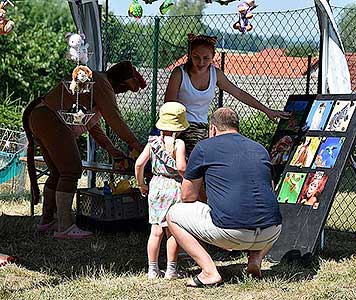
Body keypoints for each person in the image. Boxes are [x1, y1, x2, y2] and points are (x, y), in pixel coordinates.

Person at [22, 61, 146, 239]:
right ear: (120, 83)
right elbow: (114, 118)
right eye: (125, 88)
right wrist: (136, 144)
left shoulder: (97, 82)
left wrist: (110, 148)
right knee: (71, 170)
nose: (122, 92)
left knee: (58, 173)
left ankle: (47, 221)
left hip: (41, 116)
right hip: (50, 118)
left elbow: (91, 125)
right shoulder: (102, 82)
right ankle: (64, 226)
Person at [167, 107, 282, 288]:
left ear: (212, 129)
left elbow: (187, 196)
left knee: (173, 214)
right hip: (271, 232)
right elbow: (270, 188)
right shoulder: (259, 149)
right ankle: (256, 258)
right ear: (237, 127)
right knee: (257, 208)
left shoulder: (204, 147)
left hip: (231, 232)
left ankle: (209, 272)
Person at [164, 33, 290, 155]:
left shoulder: (216, 74)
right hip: (179, 127)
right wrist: (171, 134)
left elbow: (239, 93)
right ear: (190, 55)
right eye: (196, 57)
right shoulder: (179, 73)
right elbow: (168, 107)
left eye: (206, 58)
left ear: (213, 56)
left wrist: (266, 110)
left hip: (203, 128)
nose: (201, 62)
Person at [134, 102, 189, 280]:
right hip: (174, 187)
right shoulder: (179, 144)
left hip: (156, 186)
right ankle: (171, 270)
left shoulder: (152, 143)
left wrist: (141, 184)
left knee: (155, 230)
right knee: (171, 231)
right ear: (180, 128)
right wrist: (187, 176)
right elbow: (181, 166)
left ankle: (152, 270)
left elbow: (139, 164)